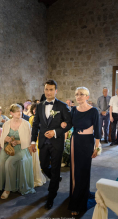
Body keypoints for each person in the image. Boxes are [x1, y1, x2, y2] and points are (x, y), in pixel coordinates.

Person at [29, 80, 72, 210]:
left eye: (51, 89)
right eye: (47, 89)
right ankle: (55, 178)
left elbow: (69, 123)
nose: (48, 92)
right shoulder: (40, 106)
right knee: (43, 166)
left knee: (55, 168)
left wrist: (55, 132)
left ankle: (51, 196)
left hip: (56, 142)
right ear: (44, 90)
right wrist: (32, 141)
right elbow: (36, 124)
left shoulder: (62, 106)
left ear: (56, 91)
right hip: (42, 142)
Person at [62, 87, 100, 215]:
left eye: (82, 94)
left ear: (87, 97)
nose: (78, 96)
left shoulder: (94, 111)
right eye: (77, 94)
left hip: (87, 143)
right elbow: (69, 125)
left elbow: (98, 130)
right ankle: (75, 199)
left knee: (84, 171)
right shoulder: (73, 110)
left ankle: (81, 199)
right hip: (75, 141)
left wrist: (97, 146)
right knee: (75, 171)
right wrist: (63, 125)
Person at [0, 104, 35, 199]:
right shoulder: (6, 124)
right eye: (17, 111)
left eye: (20, 111)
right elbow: (1, 140)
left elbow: (28, 140)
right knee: (1, 163)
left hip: (21, 148)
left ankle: (8, 188)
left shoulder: (26, 124)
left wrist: (18, 141)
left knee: (9, 162)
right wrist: (6, 139)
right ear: (11, 113)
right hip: (8, 147)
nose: (19, 113)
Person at [28, 103, 47, 187]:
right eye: (34, 109)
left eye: (37, 109)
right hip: (34, 136)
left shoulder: (41, 118)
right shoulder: (31, 118)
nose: (35, 111)